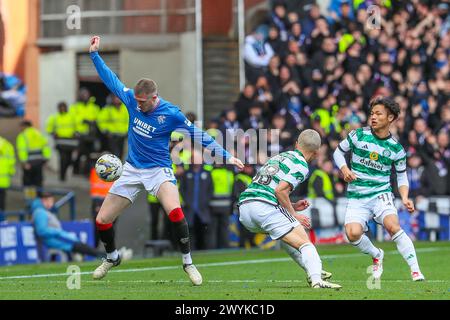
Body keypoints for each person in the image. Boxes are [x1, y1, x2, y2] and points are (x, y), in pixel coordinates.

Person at [88, 36, 244, 285]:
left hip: (159, 170)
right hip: (131, 169)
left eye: (142, 102)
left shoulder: (171, 114)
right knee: (102, 220)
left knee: (175, 211)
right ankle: (111, 256)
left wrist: (227, 156)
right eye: (136, 101)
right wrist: (95, 55)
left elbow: (199, 136)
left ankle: (188, 263)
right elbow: (111, 81)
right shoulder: (131, 100)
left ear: (153, 98)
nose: (137, 106)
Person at [333, 97, 425, 281]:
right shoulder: (358, 135)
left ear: (390, 118)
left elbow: (401, 175)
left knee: (393, 226)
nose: (373, 117)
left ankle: (416, 270)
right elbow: (338, 152)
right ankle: (376, 254)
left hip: (380, 194)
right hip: (357, 196)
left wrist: (405, 197)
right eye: (372, 113)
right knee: (352, 234)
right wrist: (344, 169)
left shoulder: (396, 148)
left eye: (378, 114)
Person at [238, 129, 341, 289]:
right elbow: (280, 190)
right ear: (316, 152)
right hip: (264, 207)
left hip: (245, 208)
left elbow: (272, 189)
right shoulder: (301, 165)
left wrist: (292, 206)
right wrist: (295, 215)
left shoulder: (279, 157)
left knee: (286, 236)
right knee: (306, 244)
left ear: (296, 144)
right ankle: (316, 279)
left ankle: (312, 270)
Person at [31, 192, 105, 260]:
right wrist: (58, 232)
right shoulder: (40, 212)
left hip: (58, 239)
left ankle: (102, 255)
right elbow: (41, 231)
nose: (52, 203)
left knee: (81, 246)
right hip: (54, 240)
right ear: (44, 201)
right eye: (50, 201)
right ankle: (103, 256)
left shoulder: (43, 211)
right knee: (80, 247)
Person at [46, 102, 78, 181]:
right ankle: (62, 177)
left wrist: (76, 133)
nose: (62, 109)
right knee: (62, 160)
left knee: (69, 159)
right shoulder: (55, 118)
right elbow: (49, 128)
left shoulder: (72, 116)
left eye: (64, 107)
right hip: (60, 142)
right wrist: (53, 133)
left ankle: (65, 173)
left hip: (70, 142)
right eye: (61, 107)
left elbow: (77, 127)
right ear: (58, 108)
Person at [16, 120, 51, 188]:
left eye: (21, 127)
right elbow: (46, 146)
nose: (20, 128)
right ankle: (38, 195)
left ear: (25, 126)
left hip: (29, 162)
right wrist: (46, 159)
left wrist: (24, 162)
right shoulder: (39, 134)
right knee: (38, 180)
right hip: (39, 162)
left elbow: (22, 150)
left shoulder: (23, 136)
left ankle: (30, 197)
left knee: (28, 182)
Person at [0, 135, 15, 216]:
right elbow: (12, 162)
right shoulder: (8, 146)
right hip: (4, 180)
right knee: (2, 201)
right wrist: (11, 173)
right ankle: (2, 219)